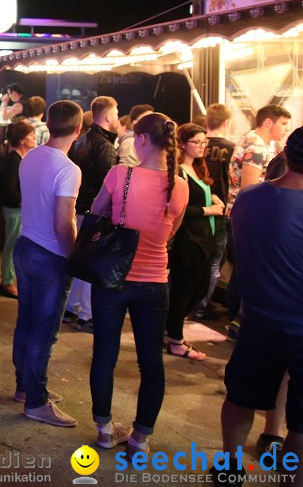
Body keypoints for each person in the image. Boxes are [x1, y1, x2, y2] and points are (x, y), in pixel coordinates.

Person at [86, 113, 188, 456]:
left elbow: (95, 213)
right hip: (155, 282)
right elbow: (170, 231)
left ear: (141, 139)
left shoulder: (120, 175)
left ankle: (103, 429)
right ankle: (140, 440)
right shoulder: (181, 185)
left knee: (105, 354)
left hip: (112, 279)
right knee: (151, 362)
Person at [219, 127, 303, 474]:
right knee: (300, 421)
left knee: (241, 396)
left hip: (257, 319)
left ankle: (231, 468)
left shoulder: (250, 198)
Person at [11, 99, 84, 428]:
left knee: (26, 323)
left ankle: (25, 389)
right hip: (49, 254)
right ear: (78, 130)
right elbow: (63, 223)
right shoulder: (68, 169)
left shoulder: (31, 156)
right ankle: (36, 402)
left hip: (24, 246)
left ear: (49, 124)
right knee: (43, 331)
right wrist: (75, 256)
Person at [165, 123, 223, 361]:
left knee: (197, 289)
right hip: (188, 240)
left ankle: (171, 330)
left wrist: (213, 199)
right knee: (185, 290)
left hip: (204, 238)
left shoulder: (198, 168)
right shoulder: (178, 171)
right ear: (182, 144)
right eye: (197, 142)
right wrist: (209, 209)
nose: (202, 147)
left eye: (204, 142)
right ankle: (176, 340)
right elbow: (179, 210)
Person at [66, 95, 120, 332]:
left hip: (79, 208)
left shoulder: (82, 140)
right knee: (91, 265)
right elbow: (110, 185)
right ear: (108, 116)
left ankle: (71, 308)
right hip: (94, 213)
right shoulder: (105, 146)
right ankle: (87, 315)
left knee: (80, 262)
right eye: (117, 113)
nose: (118, 117)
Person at [193, 103, 235, 320]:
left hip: (200, 210)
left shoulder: (198, 147)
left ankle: (189, 302)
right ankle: (200, 306)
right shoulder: (232, 148)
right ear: (227, 123)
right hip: (220, 211)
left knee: (196, 259)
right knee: (213, 262)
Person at [0, 120, 36, 298]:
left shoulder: (21, 158)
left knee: (16, 246)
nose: (35, 137)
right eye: (31, 134)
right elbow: (8, 189)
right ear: (22, 140)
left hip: (18, 209)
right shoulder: (14, 160)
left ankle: (9, 281)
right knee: (12, 247)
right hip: (14, 210)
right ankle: (7, 282)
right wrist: (24, 201)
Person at [228, 103, 292, 209]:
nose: (287, 128)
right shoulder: (256, 149)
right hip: (247, 212)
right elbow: (249, 190)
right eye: (283, 123)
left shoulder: (253, 137)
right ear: (268, 123)